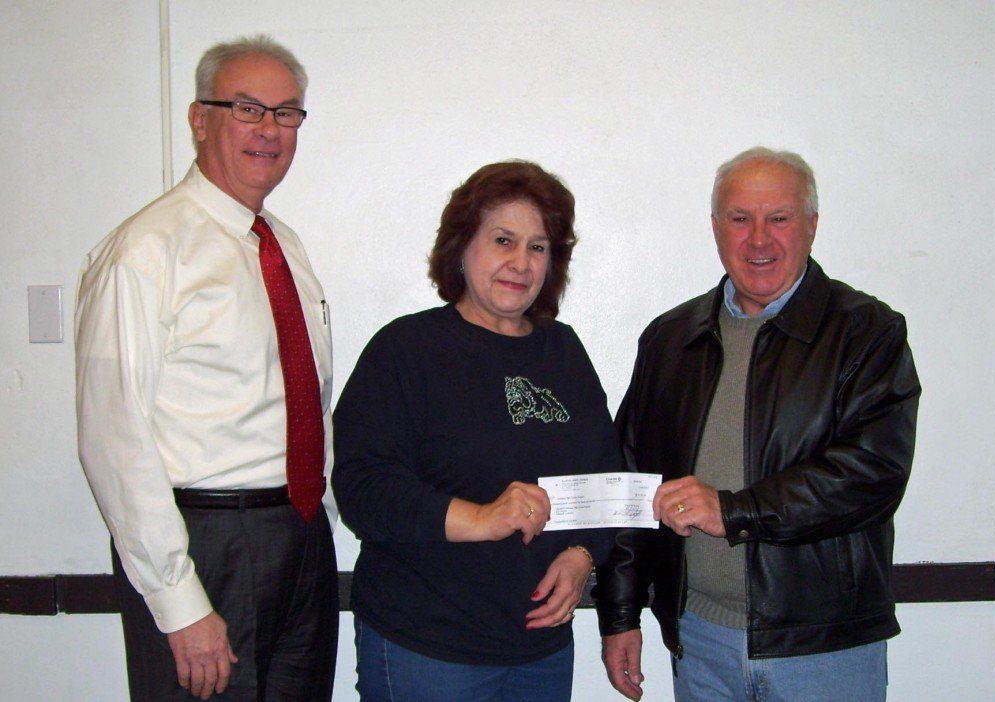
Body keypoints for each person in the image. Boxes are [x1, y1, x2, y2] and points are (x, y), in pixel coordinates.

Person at [594, 147, 921, 701]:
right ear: (717, 230)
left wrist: (732, 510)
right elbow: (633, 480)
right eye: (741, 219)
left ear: (812, 226)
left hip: (824, 649)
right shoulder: (672, 339)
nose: (760, 239)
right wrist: (620, 614)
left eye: (780, 218)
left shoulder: (867, 332)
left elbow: (872, 475)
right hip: (699, 641)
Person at [75, 36, 337, 701]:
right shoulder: (144, 253)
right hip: (204, 544)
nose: (270, 130)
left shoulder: (285, 247)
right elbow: (114, 440)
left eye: (287, 113)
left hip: (299, 536)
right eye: (248, 108)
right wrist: (178, 600)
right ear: (199, 119)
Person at [332, 160, 619, 701]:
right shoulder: (406, 350)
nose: (521, 262)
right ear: (462, 247)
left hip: (541, 651)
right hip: (427, 650)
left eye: (538, 247)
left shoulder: (565, 352)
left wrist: (584, 556)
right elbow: (363, 490)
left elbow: (605, 478)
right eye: (503, 240)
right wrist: (481, 518)